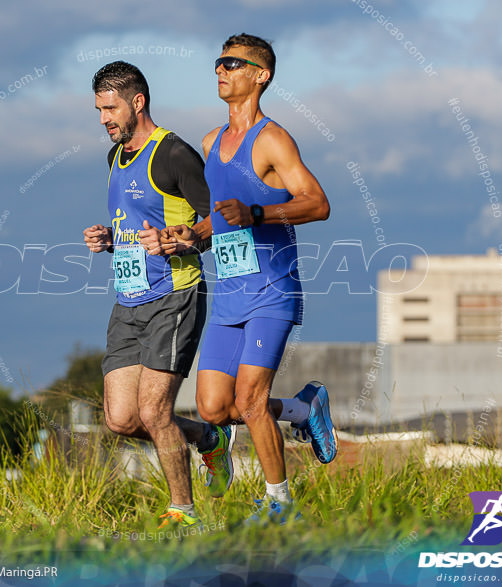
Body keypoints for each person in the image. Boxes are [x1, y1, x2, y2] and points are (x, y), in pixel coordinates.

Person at [157, 34, 337, 525]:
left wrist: (258, 211)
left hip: (272, 290)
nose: (221, 70)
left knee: (251, 400)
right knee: (214, 409)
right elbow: (218, 223)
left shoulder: (273, 139)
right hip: (230, 294)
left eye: (233, 63)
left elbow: (317, 204)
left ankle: (280, 503)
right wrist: (189, 236)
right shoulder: (212, 143)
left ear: (261, 76)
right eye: (218, 62)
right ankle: (302, 410)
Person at [83, 61, 235, 529]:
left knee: (154, 410)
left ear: (137, 102)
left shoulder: (173, 154)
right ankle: (207, 438)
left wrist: (183, 239)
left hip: (176, 294)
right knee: (122, 420)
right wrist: (112, 237)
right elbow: (138, 220)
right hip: (128, 300)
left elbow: (222, 223)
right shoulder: (114, 157)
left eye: (110, 108)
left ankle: (183, 511)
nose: (104, 119)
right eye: (98, 110)